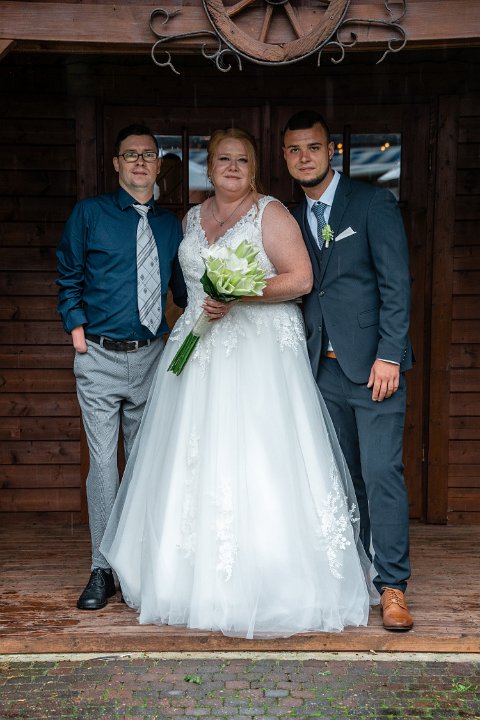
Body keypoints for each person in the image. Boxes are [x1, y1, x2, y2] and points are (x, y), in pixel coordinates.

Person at [100, 127, 378, 639]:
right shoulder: (191, 218)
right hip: (197, 351)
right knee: (193, 456)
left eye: (242, 161)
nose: (232, 168)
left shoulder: (270, 213)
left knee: (258, 455)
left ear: (254, 169)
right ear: (209, 167)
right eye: (223, 159)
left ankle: (271, 577)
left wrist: (240, 294)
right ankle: (183, 578)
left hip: (258, 354)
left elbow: (300, 279)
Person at [282, 110, 414, 631]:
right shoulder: (292, 218)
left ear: (331, 151)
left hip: (374, 367)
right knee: (341, 478)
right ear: (285, 157)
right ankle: (355, 578)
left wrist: (390, 354)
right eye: (295, 150)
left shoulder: (371, 203)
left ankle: (393, 586)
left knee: (381, 474)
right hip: (321, 370)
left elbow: (396, 284)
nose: (304, 157)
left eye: (313, 147)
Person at [57, 124, 187, 611]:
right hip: (98, 355)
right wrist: (77, 331)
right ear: (116, 163)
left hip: (152, 357)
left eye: (147, 155)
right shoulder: (90, 214)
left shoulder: (171, 226)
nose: (139, 162)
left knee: (142, 463)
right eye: (130, 154)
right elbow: (68, 274)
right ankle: (102, 568)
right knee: (103, 465)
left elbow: (182, 291)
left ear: (158, 165)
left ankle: (136, 565)